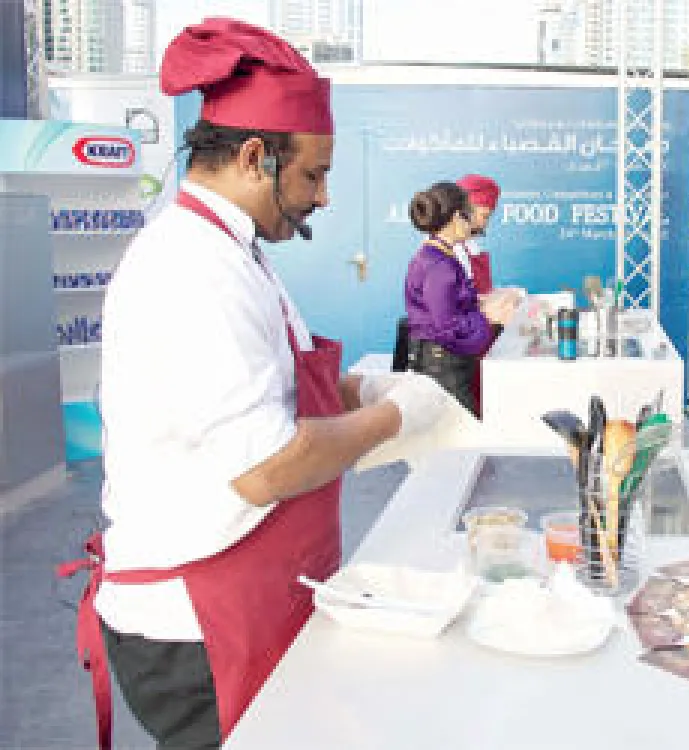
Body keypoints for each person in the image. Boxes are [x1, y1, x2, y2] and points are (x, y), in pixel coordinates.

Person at [65, 19, 451, 749]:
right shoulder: (192, 268)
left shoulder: (235, 257)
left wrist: (365, 391)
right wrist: (397, 417)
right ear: (253, 157)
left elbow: (276, 395)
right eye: (313, 174)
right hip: (198, 620)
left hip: (248, 592)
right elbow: (266, 466)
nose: (324, 196)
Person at [406, 181, 518, 416]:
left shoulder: (440, 256)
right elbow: (448, 328)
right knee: (463, 428)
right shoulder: (440, 266)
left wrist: (484, 304)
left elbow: (451, 305)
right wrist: (489, 318)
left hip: (444, 360)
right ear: (458, 217)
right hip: (443, 366)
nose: (476, 223)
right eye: (471, 215)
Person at [454, 174, 500, 295]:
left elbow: (480, 292)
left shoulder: (470, 245)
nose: (485, 224)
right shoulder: (445, 251)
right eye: (484, 216)